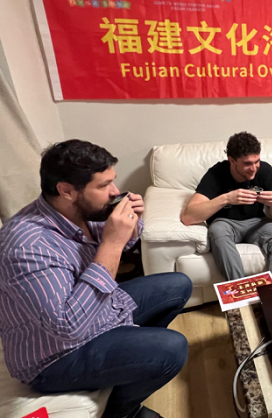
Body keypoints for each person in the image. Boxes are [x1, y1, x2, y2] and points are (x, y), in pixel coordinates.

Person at [0, 140, 192, 418]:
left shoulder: (78, 210)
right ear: (66, 190)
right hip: (56, 356)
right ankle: (122, 411)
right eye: (104, 185)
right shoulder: (27, 247)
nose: (114, 192)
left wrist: (132, 224)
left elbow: (124, 241)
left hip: (97, 315)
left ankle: (132, 362)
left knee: (178, 285)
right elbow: (70, 327)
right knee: (172, 348)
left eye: (112, 181)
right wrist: (112, 244)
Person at [181, 132, 272, 280]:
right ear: (232, 160)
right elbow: (188, 217)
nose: (254, 168)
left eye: (257, 161)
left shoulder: (264, 170)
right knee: (218, 231)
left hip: (257, 222)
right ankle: (238, 289)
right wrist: (226, 198)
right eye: (247, 164)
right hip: (225, 223)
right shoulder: (216, 174)